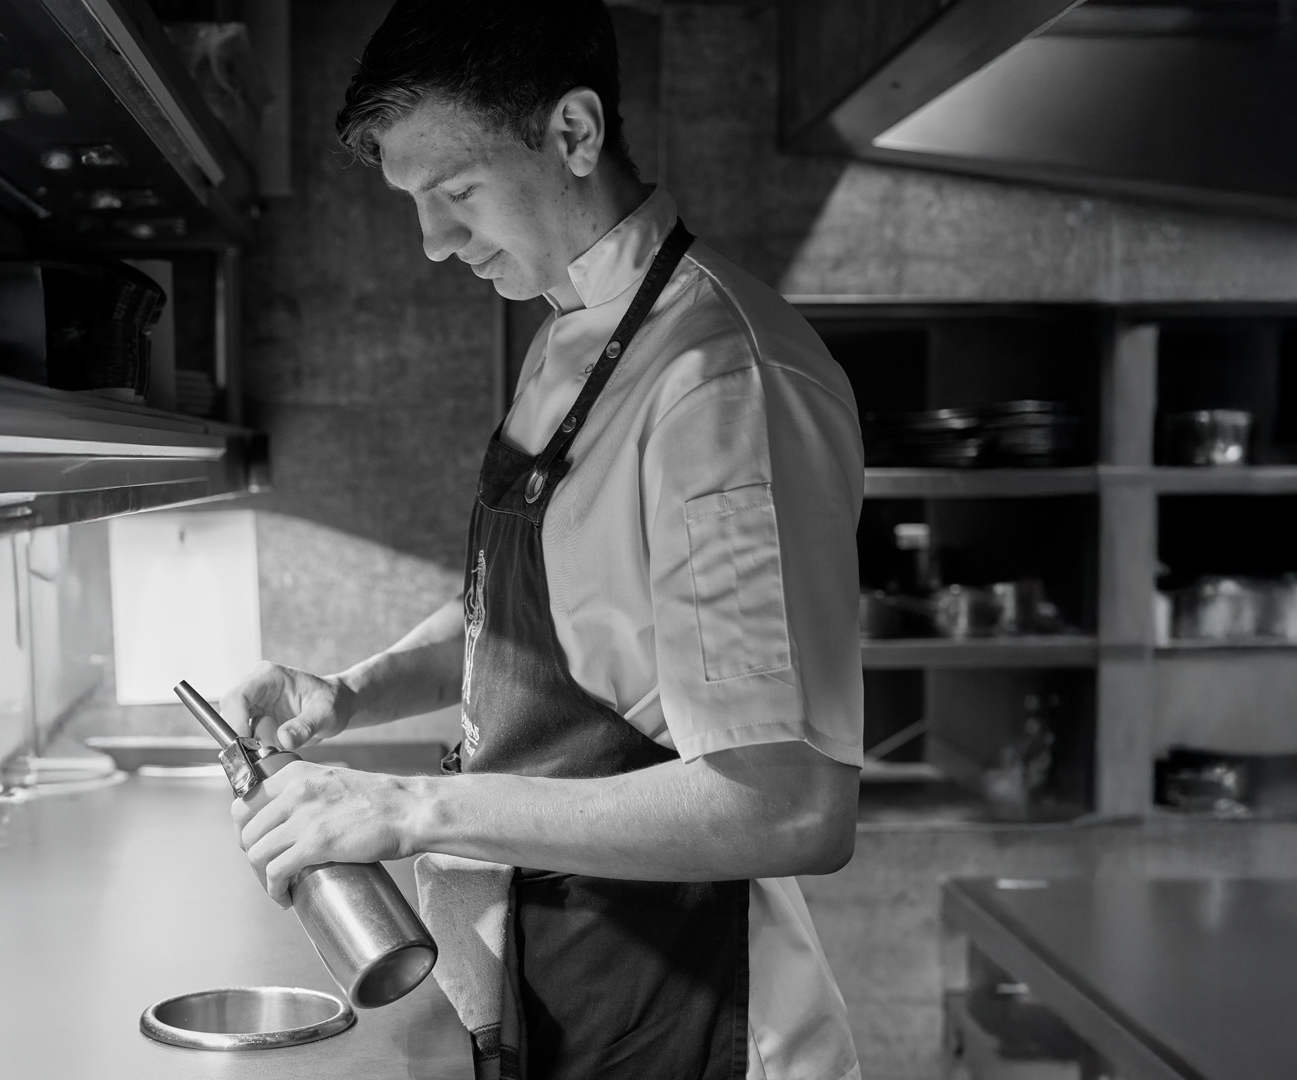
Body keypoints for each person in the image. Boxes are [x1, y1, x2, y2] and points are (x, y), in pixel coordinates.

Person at [223, 2, 864, 1077]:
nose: (432, 241)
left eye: (455, 191)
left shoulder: (720, 384)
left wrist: (405, 807)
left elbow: (790, 804)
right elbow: (545, 617)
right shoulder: (576, 333)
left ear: (572, 132)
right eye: (413, 203)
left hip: (685, 1012)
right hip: (562, 982)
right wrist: (352, 692)